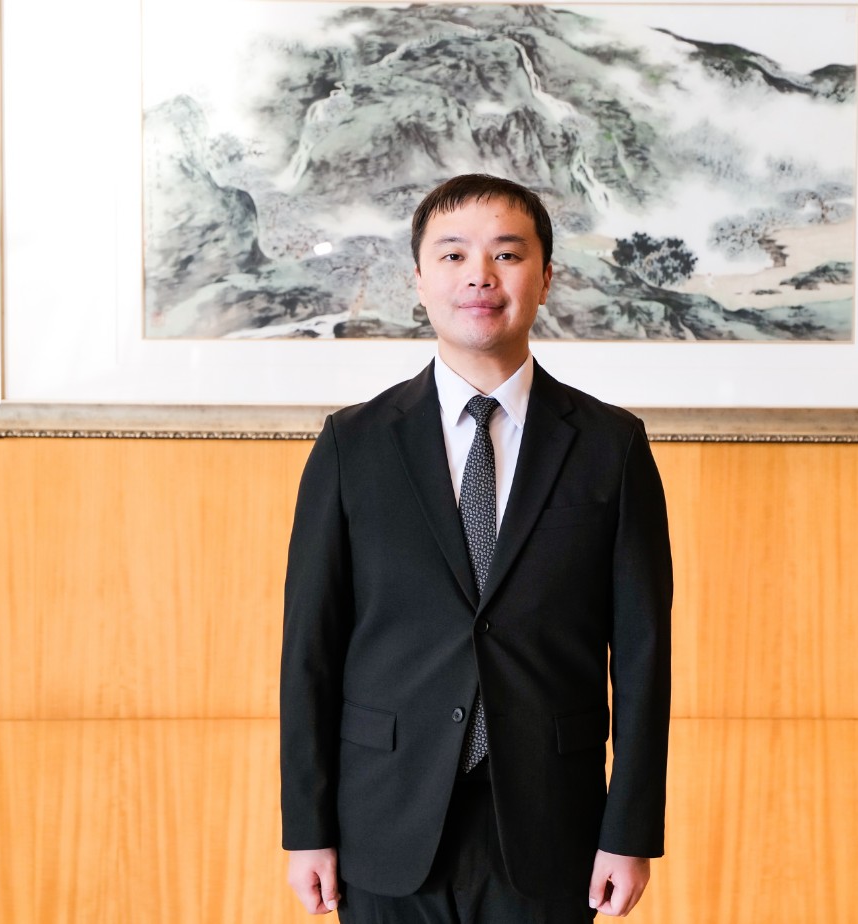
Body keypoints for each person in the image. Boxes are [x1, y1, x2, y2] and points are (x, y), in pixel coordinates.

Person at [280, 174, 673, 922]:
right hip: (383, 817)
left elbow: (643, 653)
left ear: (546, 278)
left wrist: (630, 832)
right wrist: (307, 828)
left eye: (508, 255)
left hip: (551, 822)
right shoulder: (352, 445)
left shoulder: (611, 446)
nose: (480, 276)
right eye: (454, 254)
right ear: (419, 279)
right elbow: (310, 650)